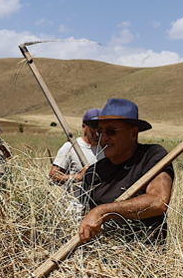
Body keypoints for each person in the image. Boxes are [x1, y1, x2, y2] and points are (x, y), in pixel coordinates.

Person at [78, 98, 174, 243]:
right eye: (100, 132)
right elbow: (85, 218)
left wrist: (104, 211)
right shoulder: (93, 173)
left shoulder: (152, 156)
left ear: (133, 134)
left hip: (143, 258)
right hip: (100, 257)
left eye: (111, 131)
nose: (103, 139)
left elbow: (158, 202)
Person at [49, 108, 103, 212]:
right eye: (93, 126)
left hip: (99, 211)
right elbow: (52, 177)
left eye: (101, 127)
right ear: (84, 127)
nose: (97, 130)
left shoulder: (107, 149)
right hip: (74, 211)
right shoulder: (71, 147)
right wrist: (78, 177)